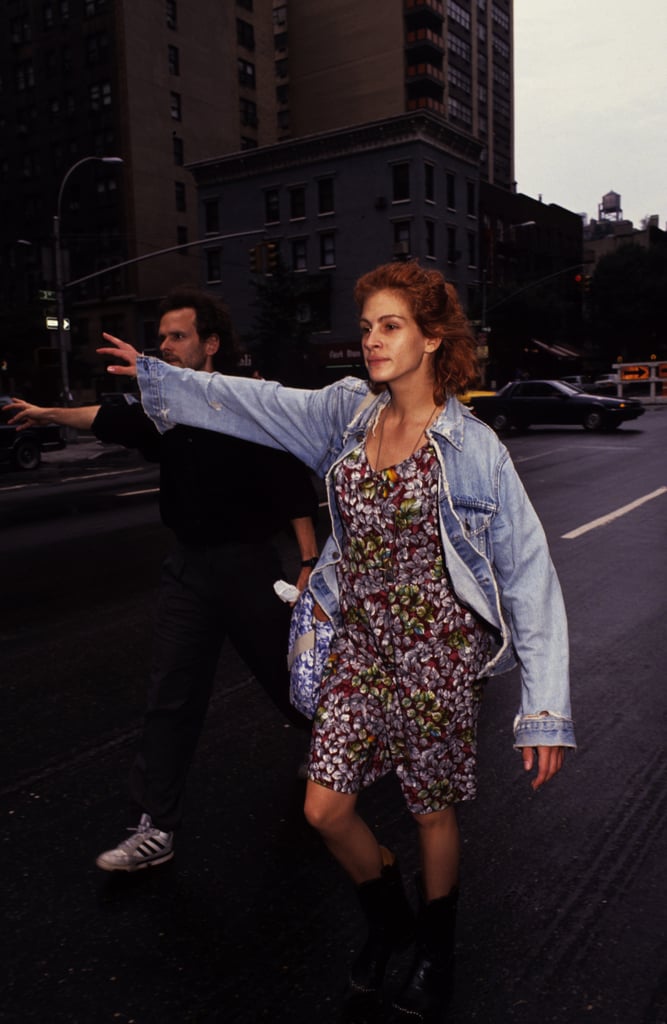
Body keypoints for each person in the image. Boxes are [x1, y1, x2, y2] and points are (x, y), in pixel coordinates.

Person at [96, 263, 575, 1021]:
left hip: (438, 651)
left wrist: (543, 708)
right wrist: (161, 377)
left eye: (390, 326)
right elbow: (257, 401)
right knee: (324, 809)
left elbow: (526, 572)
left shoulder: (472, 445)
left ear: (431, 337)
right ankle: (390, 920)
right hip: (357, 642)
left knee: (429, 812)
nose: (372, 341)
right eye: (366, 327)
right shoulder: (349, 413)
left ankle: (435, 950)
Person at [6, 286, 319, 874]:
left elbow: (290, 487)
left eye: (179, 336)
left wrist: (308, 564)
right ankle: (155, 826)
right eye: (163, 338)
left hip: (248, 566)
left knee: (290, 681)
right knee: (170, 696)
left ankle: (336, 749)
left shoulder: (244, 404)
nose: (168, 347)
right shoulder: (162, 410)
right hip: (188, 570)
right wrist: (48, 413)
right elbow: (105, 416)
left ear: (210, 345)